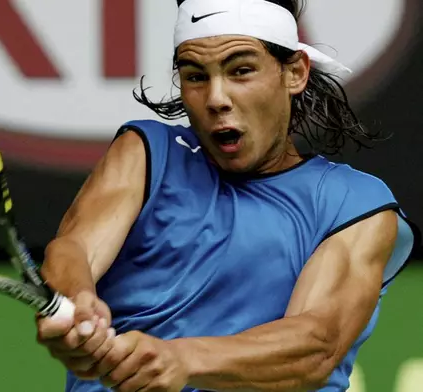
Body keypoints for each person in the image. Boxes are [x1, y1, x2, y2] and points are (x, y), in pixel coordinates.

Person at [35, 0, 420, 391]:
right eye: (196, 76)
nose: (216, 98)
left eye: (241, 71)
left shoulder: (354, 204)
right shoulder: (147, 154)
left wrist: (182, 359)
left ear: (295, 72)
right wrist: (77, 304)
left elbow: (314, 347)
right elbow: (74, 250)